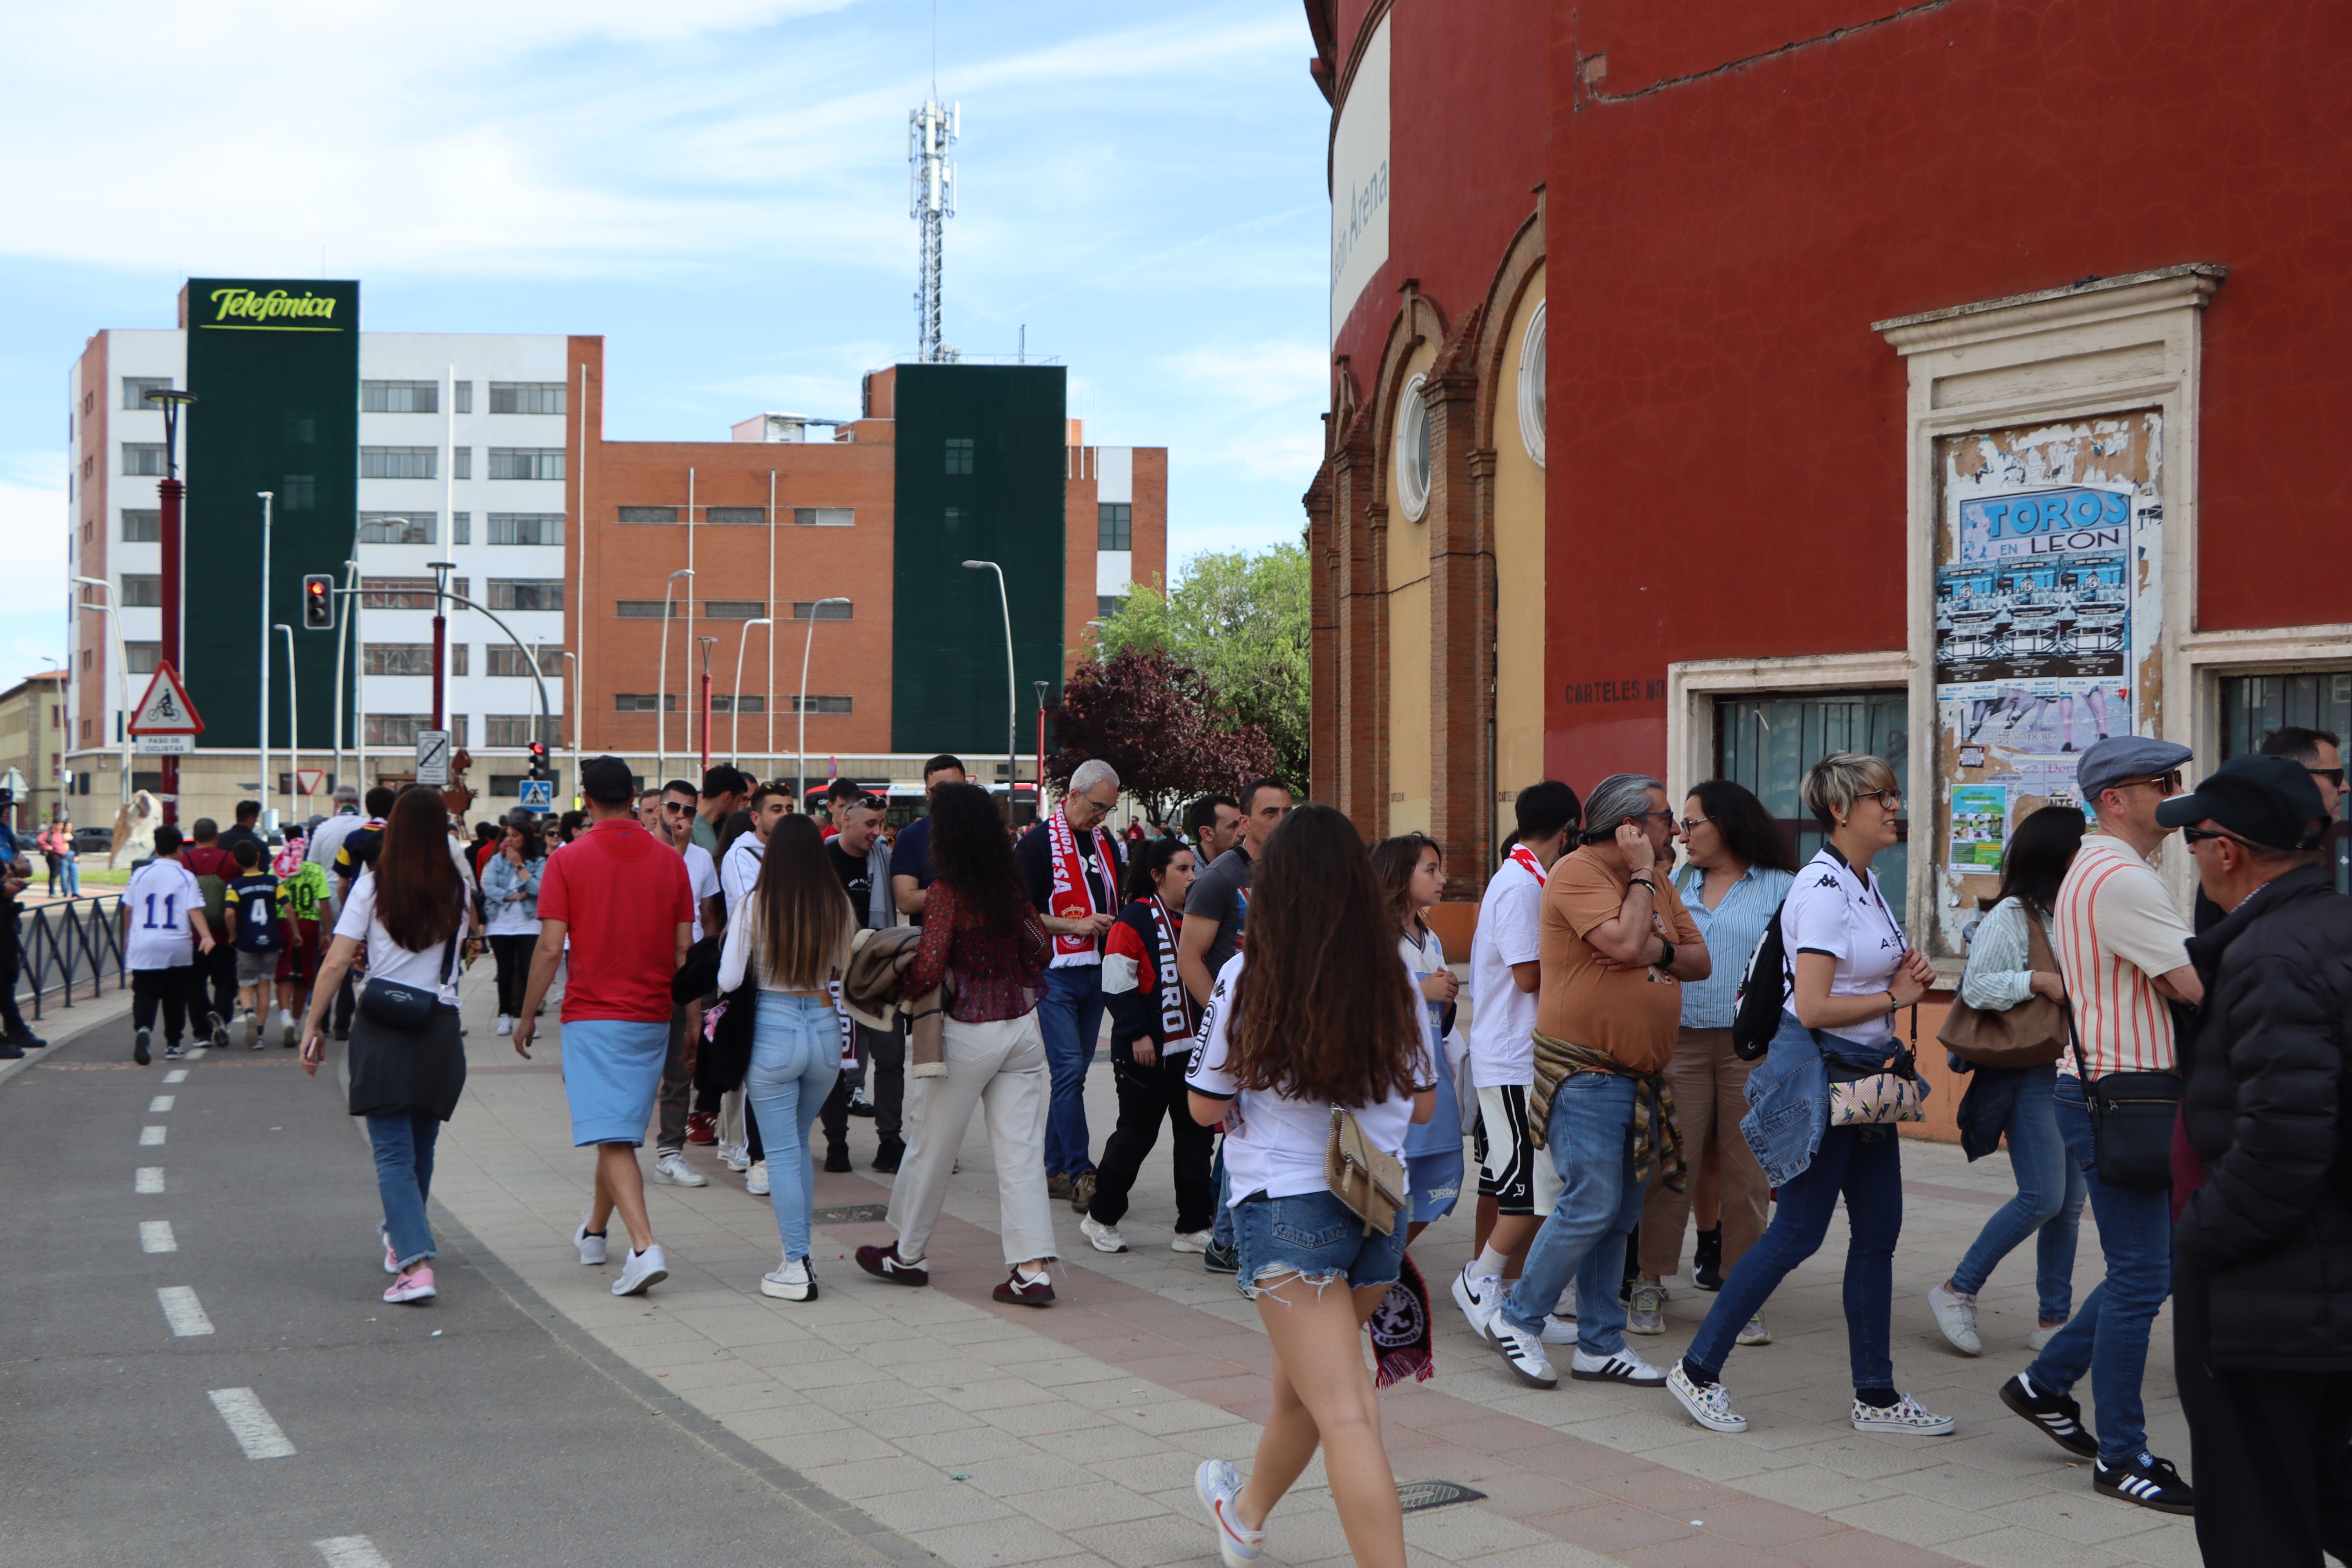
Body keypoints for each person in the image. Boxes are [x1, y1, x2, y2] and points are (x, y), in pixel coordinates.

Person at [1669, 753, 1947, 1437]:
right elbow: (1817, 1007)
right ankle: (1698, 1370)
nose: (1894, 806)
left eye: (1895, 793)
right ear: (1841, 810)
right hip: (1827, 1082)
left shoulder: (1863, 881)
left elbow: (1857, 978)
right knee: (1796, 1232)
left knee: (1879, 1233)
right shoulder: (1822, 889)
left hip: (1866, 1085)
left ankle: (1877, 1396)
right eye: (1882, 796)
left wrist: (1903, 970)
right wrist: (1896, 995)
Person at [1185, 803, 1435, 1568]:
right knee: (1307, 1392)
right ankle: (1245, 1514)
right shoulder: (1399, 968)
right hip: (1377, 1207)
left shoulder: (1247, 972)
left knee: (1346, 1410)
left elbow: (1203, 1103)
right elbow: (1423, 1100)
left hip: (1288, 1208)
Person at [1994, 735, 2203, 1512]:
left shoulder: (2099, 866)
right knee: (2147, 1272)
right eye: (2162, 781)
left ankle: (2045, 1381)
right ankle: (2123, 1455)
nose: (2177, 792)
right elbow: (2193, 984)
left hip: (2108, 1094)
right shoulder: (2119, 876)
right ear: (2114, 797)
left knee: (2150, 1266)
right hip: (2124, 1099)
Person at [2160, 754, 2352, 1564]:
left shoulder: (2271, 955)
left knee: (2259, 1522)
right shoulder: (2326, 927)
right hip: (2311, 1277)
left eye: (2197, 839)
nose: (2193, 856)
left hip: (2273, 1283)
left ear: (2228, 851)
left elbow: (2285, 1140)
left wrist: (2203, 1237)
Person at [1481, 775, 1708, 1390]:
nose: (1676, 833)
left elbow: (1698, 959)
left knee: (1619, 1215)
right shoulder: (1580, 873)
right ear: (1630, 827)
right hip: (1584, 1072)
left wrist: (1651, 947)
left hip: (1636, 1077)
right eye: (1664, 820)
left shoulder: (1659, 881)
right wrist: (1640, 888)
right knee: (1593, 1202)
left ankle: (1600, 1343)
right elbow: (1627, 939)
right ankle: (1520, 1316)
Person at [855, 782, 1058, 1304]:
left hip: (966, 1030)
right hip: (1022, 1030)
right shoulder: (1010, 886)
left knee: (931, 1148)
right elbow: (1041, 952)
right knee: (1021, 1155)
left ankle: (908, 1254)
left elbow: (928, 969)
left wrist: (903, 962)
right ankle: (1032, 1271)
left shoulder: (947, 892)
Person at [514, 755, 698, 1299]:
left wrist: (527, 1014)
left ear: (586, 801)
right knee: (613, 1130)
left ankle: (645, 1249)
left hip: (593, 1015)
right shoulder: (672, 863)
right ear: (636, 794)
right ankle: (595, 1231)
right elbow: (684, 950)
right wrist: (691, 1021)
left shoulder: (568, 861)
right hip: (652, 1015)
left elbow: (550, 948)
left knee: (613, 1136)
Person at [1629, 780, 1795, 1341]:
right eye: (1681, 822)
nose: (1681, 832)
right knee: (1671, 1166)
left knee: (1747, 1176)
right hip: (1681, 1042)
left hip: (1752, 1048)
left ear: (1727, 824)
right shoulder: (1674, 882)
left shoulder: (1781, 888)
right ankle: (1650, 1281)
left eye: (1693, 822)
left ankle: (1742, 1294)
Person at [298, 785, 471, 1306]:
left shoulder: (373, 888)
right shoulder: (459, 889)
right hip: (441, 1028)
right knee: (421, 1148)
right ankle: (402, 1242)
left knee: (393, 1154)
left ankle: (416, 1266)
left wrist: (313, 1025)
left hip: (385, 1026)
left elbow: (335, 960)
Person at [1926, 805, 2088, 1357]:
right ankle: (1957, 1289)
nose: (2088, 854)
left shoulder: (2062, 912)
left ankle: (2052, 1322)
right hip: (2030, 1068)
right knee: (2043, 1196)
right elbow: (1978, 989)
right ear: (2056, 855)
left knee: (2068, 1205)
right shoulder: (2012, 916)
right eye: (2080, 845)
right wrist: (2039, 979)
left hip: (2071, 1067)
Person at [1452, 780, 1581, 1339]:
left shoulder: (1532, 879)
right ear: (1568, 831)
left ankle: (1522, 1299)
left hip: (1524, 1058)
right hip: (1509, 1060)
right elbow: (1528, 974)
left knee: (1532, 1188)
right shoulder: (1519, 886)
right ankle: (1481, 1281)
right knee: (1529, 1191)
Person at [719, 814, 856, 1303]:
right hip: (824, 1025)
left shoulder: (756, 904)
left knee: (779, 1152)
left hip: (774, 1025)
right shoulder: (837, 903)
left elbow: (731, 979)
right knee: (798, 1144)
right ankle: (800, 1256)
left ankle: (796, 1262)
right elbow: (848, 962)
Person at [1181, 777, 1294, 1273]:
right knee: (1238, 1126)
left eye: (1288, 811)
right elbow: (1190, 959)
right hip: (1241, 1027)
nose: (1281, 820)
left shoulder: (1293, 872)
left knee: (1250, 1129)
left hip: (1284, 1027)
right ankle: (1227, 1240)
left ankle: (1227, 1237)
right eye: (1270, 813)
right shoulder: (1222, 877)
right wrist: (1227, 1024)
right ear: (1245, 822)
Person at [1083, 837, 1213, 1254]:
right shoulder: (1134, 919)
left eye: (1194, 868)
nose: (1192, 876)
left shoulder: (1199, 918)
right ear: (1157, 876)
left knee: (1196, 1139)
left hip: (1191, 1048)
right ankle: (1100, 1217)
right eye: (1182, 869)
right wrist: (1138, 1032)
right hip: (1145, 1051)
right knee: (1136, 1137)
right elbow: (1117, 983)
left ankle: (1193, 1226)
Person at [1014, 758, 1126, 1211]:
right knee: (1067, 1072)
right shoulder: (1038, 844)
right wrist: (1071, 925)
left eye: (1109, 809)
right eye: (1098, 806)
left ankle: (1055, 1169)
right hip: (1056, 971)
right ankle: (1081, 1171)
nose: (1102, 817)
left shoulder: (1106, 844)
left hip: (1097, 971)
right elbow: (1018, 913)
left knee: (1073, 1074)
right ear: (1074, 795)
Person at [1373, 833, 1470, 1245]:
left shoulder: (1430, 937)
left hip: (1432, 1078)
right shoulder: (1374, 935)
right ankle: (1379, 1262)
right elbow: (1364, 1003)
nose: (1442, 879)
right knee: (1390, 1181)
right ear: (1399, 875)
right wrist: (1420, 990)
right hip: (1389, 1082)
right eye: (1431, 870)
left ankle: (1388, 1257)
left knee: (1443, 1174)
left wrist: (1445, 997)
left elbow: (1439, 1023)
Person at [817, 793, 904, 1173]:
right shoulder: (821, 859)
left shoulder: (883, 857)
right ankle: (837, 1141)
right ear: (846, 820)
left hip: (879, 968)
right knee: (834, 1061)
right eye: (870, 824)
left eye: (881, 824)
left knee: (891, 1055)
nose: (877, 832)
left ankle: (890, 1140)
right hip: (833, 970)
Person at [122, 824, 216, 1064]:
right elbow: (193, 909)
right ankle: (173, 1044)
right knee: (175, 996)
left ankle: (143, 1029)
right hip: (176, 944)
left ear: (156, 847)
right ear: (178, 849)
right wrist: (206, 935)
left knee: (144, 991)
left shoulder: (140, 874)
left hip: (145, 942)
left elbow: (129, 909)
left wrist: (128, 936)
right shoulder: (185, 876)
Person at [481, 820, 545, 1036]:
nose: (510, 840)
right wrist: (516, 896)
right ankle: (505, 1016)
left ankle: (529, 1019)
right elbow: (489, 888)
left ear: (526, 837)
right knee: (505, 972)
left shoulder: (539, 862)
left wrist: (520, 865)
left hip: (529, 924)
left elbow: (540, 889)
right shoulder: (496, 860)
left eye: (515, 835)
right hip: (499, 924)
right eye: (508, 835)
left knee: (529, 972)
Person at [220, 839, 284, 1049]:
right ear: (259, 857)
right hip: (271, 939)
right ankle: (259, 1033)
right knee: (265, 986)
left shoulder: (235, 885)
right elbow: (288, 906)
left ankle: (248, 1012)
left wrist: (232, 935)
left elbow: (230, 912)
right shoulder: (273, 882)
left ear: (236, 861)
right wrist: (294, 931)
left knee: (246, 984)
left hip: (246, 941)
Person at [889, 754, 966, 921]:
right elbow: (906, 902)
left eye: (955, 788)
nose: (949, 796)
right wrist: (966, 893)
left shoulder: (986, 830)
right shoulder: (911, 837)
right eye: (941, 790)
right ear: (928, 794)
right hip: (932, 942)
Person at [182, 818, 238, 1048]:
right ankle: (221, 1017)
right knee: (225, 982)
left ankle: (202, 1033)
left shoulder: (184, 861)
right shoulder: (230, 860)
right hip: (223, 935)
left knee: (195, 985)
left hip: (193, 935)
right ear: (217, 837)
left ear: (194, 838)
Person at [274, 848, 330, 1048]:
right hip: (309, 925)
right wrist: (328, 933)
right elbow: (324, 902)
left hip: (284, 924)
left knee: (284, 974)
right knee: (303, 976)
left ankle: (286, 1017)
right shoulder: (316, 871)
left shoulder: (277, 869)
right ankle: (297, 1023)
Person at [694, 766, 748, 855]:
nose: (738, 809)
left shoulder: (723, 829)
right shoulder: (688, 830)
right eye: (738, 801)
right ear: (727, 797)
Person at [1184, 793, 1242, 868]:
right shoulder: (1191, 877)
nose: (1243, 832)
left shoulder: (1245, 867)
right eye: (1233, 826)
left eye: (1242, 823)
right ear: (1207, 834)